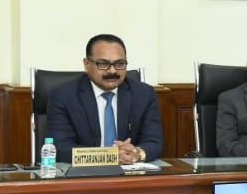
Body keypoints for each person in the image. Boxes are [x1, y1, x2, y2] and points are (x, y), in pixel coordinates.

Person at [47, 34, 163, 164]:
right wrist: (109, 156)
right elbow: (60, 148)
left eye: (119, 64)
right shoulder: (64, 96)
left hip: (130, 171)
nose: (112, 71)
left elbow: (154, 142)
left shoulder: (143, 94)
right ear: (86, 64)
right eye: (103, 64)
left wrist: (136, 153)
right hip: (85, 172)